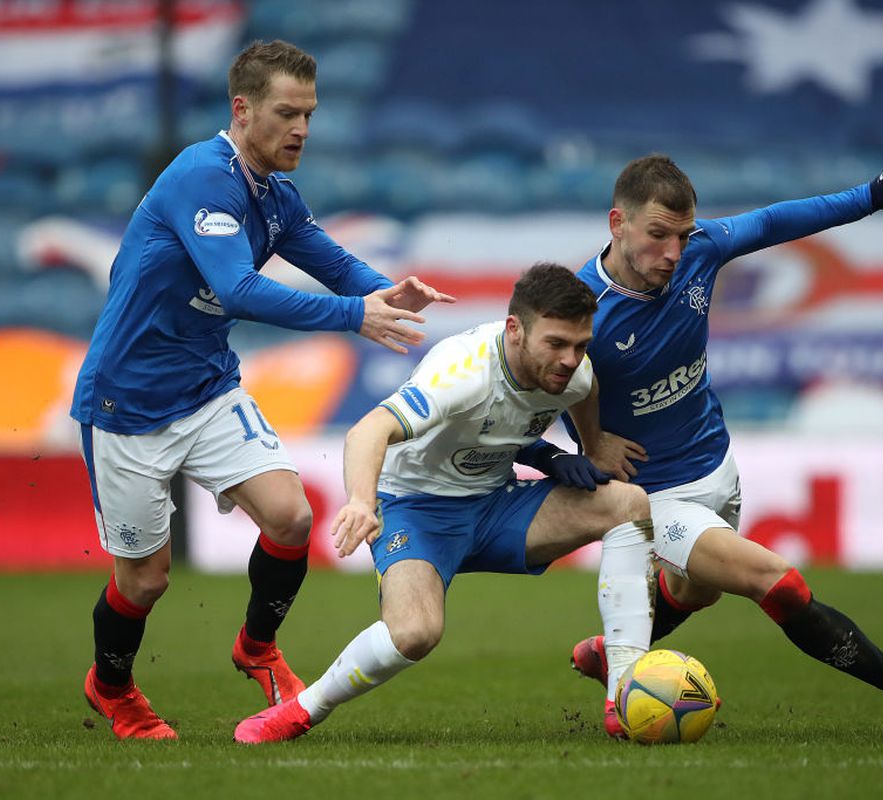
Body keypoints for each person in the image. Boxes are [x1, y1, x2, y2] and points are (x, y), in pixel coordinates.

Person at [71, 40, 454, 740]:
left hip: (207, 389)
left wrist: (382, 292)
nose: (302, 128)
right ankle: (111, 685)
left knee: (291, 518)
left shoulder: (274, 195)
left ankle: (256, 648)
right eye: (287, 113)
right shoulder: (200, 177)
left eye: (309, 113)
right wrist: (353, 316)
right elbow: (237, 289)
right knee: (145, 582)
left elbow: (331, 261)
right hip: (125, 405)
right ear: (242, 111)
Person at [557, 155, 883, 737]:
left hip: (717, 468)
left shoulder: (699, 251)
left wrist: (871, 195)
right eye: (656, 235)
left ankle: (612, 646)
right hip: (650, 497)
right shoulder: (582, 310)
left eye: (681, 234)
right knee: (777, 582)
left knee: (693, 593)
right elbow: (538, 389)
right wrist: (586, 446)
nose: (672, 252)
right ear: (617, 224)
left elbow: (776, 221)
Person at [232, 263, 656, 744]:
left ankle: (625, 692)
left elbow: (583, 392)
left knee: (629, 503)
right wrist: (361, 502)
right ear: (514, 330)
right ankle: (303, 709)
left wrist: (586, 447)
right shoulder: (461, 372)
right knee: (414, 633)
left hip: (494, 505)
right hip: (416, 509)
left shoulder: (575, 375)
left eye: (580, 346)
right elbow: (369, 429)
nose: (569, 359)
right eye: (556, 344)